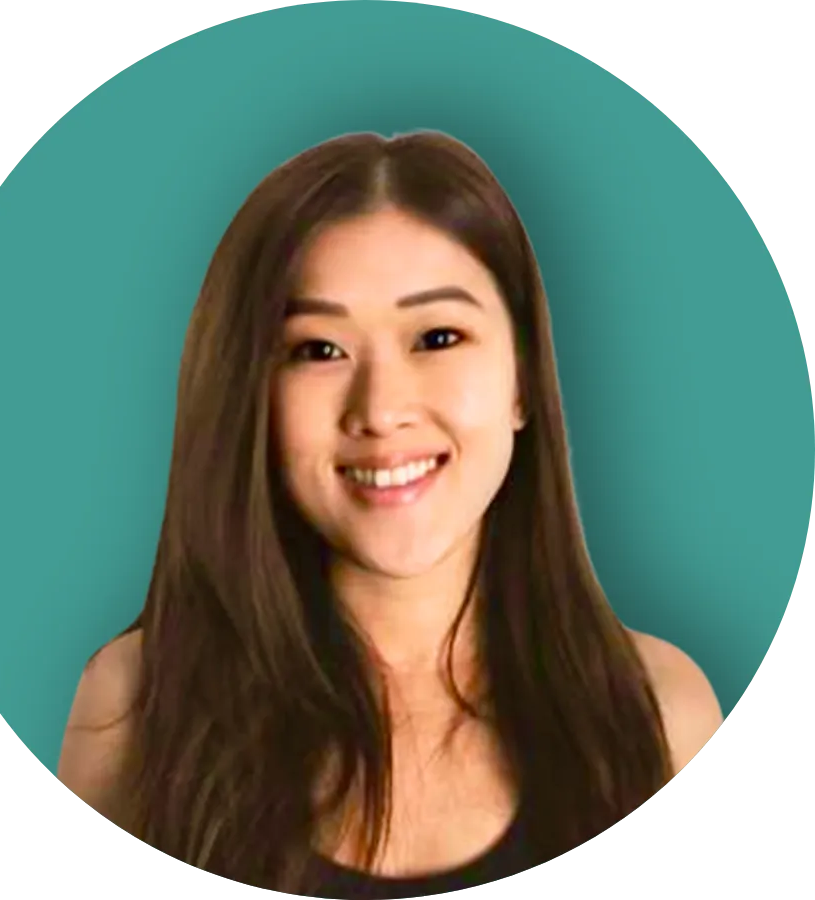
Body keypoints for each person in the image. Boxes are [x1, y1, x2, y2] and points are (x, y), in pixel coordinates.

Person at [56, 130, 724, 898]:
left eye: (437, 338)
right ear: (252, 397)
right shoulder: (133, 710)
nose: (380, 409)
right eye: (318, 350)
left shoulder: (662, 715)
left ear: (522, 382)